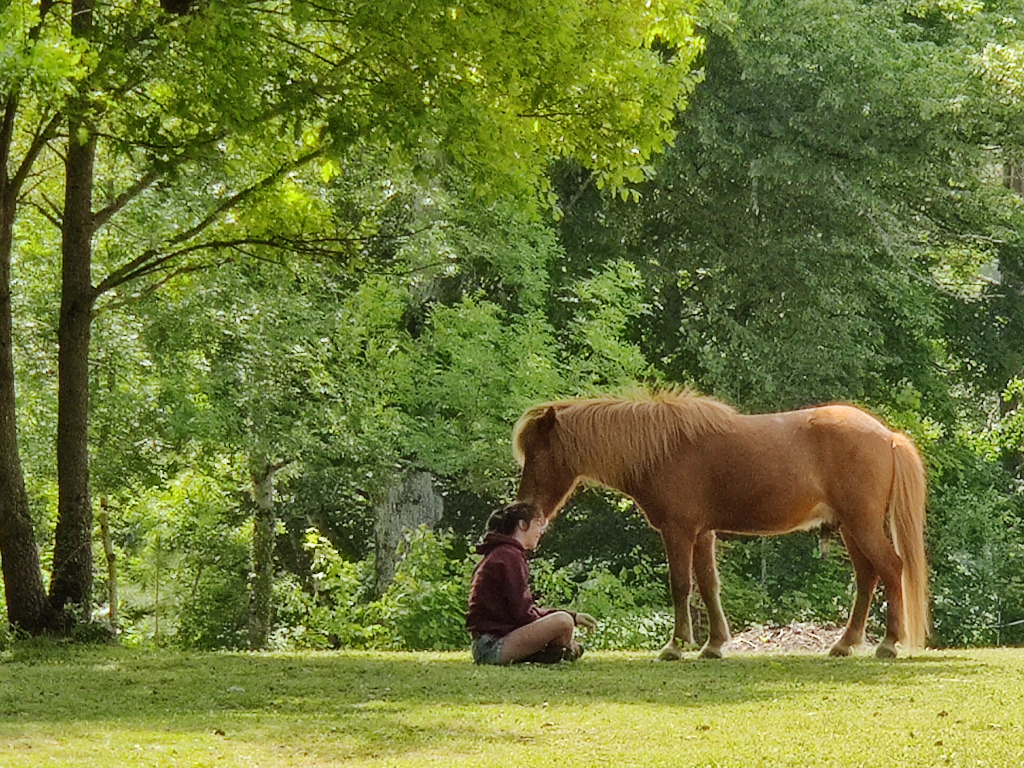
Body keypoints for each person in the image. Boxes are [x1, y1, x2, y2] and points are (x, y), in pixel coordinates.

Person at [466, 502, 598, 665]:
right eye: (538, 524)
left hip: (489, 644)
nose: (541, 531)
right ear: (522, 524)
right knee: (562, 621)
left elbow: (521, 611)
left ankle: (555, 653)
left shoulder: (503, 553)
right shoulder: (508, 556)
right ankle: (564, 650)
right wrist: (567, 620)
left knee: (564, 623)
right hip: (492, 647)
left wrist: (574, 617)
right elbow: (523, 613)